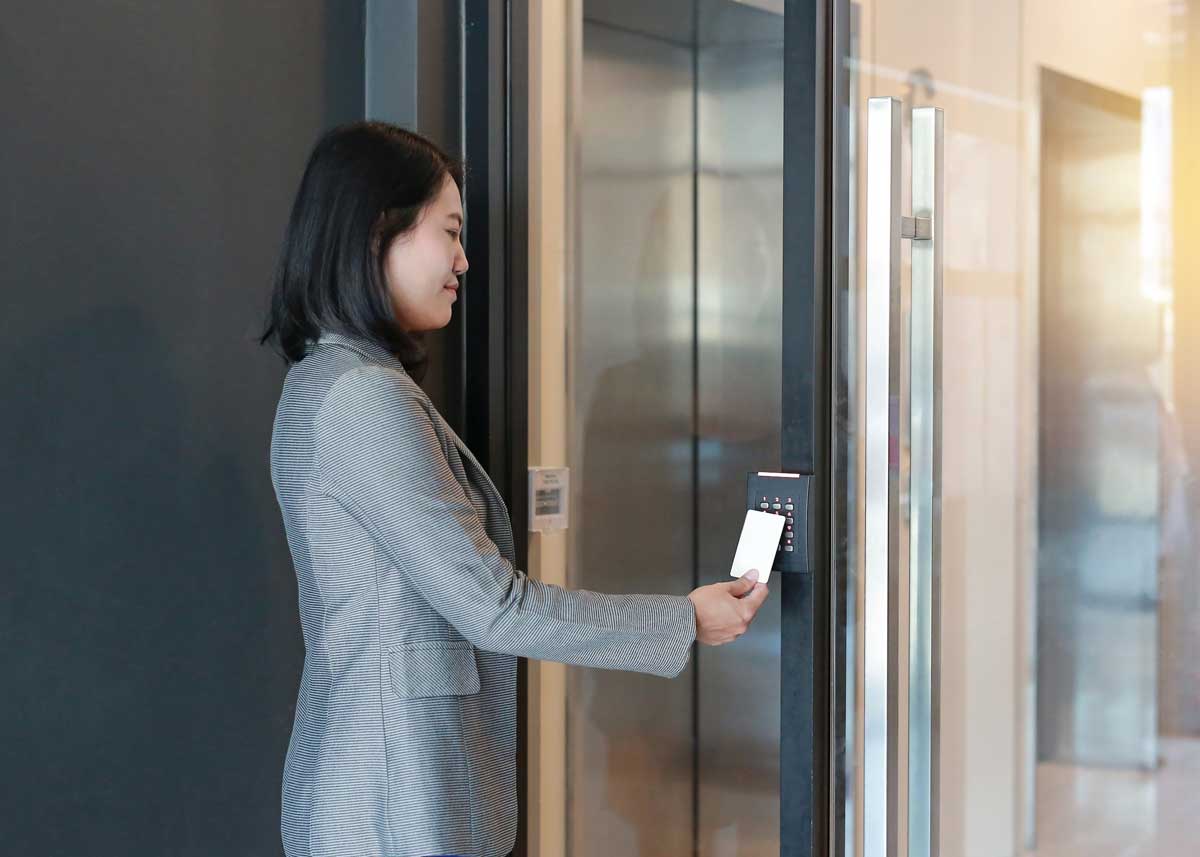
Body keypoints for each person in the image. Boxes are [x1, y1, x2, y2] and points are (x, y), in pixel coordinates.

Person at [261, 121, 770, 857]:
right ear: (380, 231)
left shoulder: (324, 380)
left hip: (381, 786)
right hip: (394, 794)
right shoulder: (364, 397)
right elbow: (494, 607)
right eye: (450, 231)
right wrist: (683, 620)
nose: (464, 260)